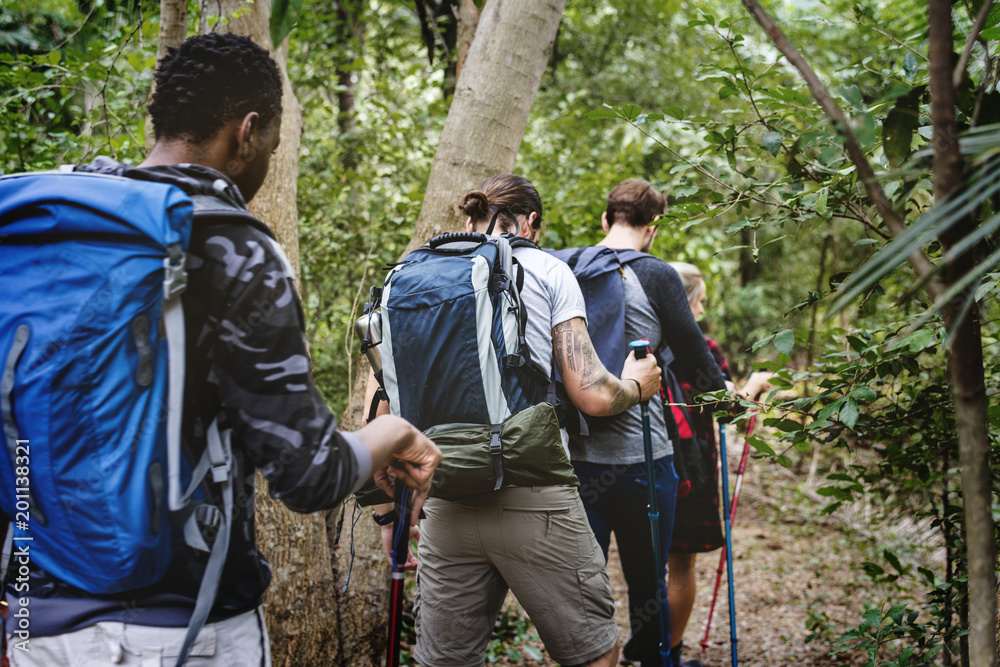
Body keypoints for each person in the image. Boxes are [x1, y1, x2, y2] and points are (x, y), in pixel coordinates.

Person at [2, 33, 441, 666]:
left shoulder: (48, 231)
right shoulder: (231, 246)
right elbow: (308, 474)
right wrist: (396, 433)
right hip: (185, 630)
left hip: (38, 625)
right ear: (248, 130)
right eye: (271, 146)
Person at [367, 174, 663, 667]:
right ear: (532, 224)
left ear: (467, 221)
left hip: (444, 502)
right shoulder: (547, 269)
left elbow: (380, 407)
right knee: (594, 653)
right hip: (534, 499)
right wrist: (636, 385)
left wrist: (385, 515)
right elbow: (589, 392)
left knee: (444, 661)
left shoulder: (411, 279)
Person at [568, 178, 728, 667]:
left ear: (605, 219)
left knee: (581, 585)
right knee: (647, 586)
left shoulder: (566, 267)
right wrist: (734, 406)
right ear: (652, 229)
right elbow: (701, 370)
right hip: (643, 462)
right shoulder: (657, 275)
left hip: (574, 458)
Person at [665, 262, 770, 667]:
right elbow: (736, 414)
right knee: (679, 566)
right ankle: (667, 657)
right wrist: (756, 386)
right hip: (691, 471)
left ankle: (649, 646)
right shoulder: (703, 350)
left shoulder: (637, 343)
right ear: (687, 304)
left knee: (646, 564)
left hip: (637, 466)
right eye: (701, 302)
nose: (703, 311)